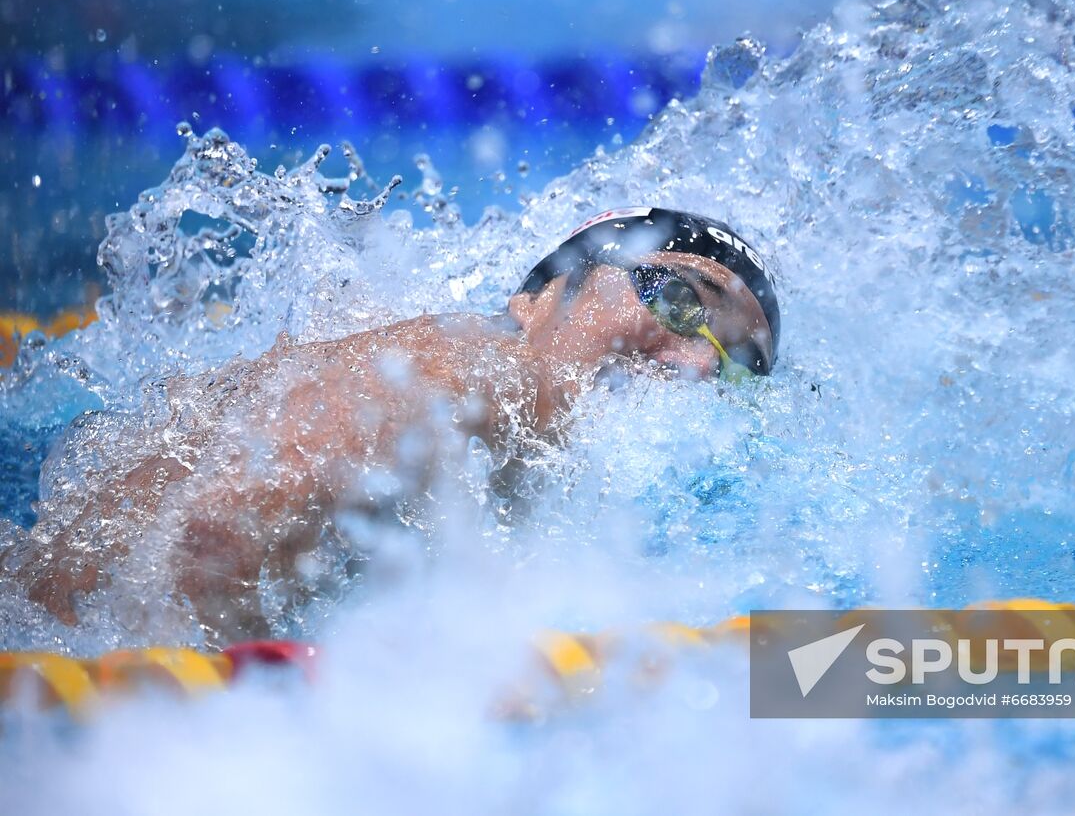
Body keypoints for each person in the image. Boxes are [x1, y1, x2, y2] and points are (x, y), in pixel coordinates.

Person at [7, 208, 781, 640]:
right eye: (681, 302)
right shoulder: (488, 369)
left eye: (736, 366)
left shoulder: (518, 458)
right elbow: (216, 529)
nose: (699, 366)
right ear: (541, 295)